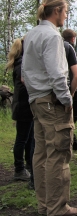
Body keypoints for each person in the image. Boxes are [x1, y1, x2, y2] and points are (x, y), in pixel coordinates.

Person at [22, 0, 77, 216]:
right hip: (52, 102)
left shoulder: (31, 35)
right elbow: (58, 74)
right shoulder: (53, 36)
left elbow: (25, 73)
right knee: (58, 154)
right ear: (56, 10)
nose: (66, 15)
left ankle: (44, 205)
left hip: (36, 101)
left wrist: (34, 95)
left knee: (41, 154)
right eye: (65, 11)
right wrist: (67, 100)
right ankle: (57, 207)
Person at [6, 38, 34, 185]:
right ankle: (19, 169)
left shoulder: (20, 61)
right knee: (22, 138)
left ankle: (29, 164)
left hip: (24, 105)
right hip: (23, 106)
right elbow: (26, 82)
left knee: (29, 137)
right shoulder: (22, 62)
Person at [61, 29, 77, 150]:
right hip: (71, 86)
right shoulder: (70, 48)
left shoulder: (59, 46)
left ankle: (72, 140)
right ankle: (70, 142)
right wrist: (72, 93)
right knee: (72, 116)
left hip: (59, 86)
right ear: (73, 38)